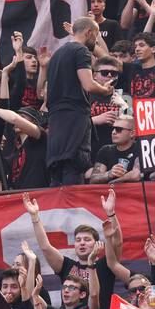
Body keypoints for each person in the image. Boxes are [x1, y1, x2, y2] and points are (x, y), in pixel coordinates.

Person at [47, 16, 113, 186]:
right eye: (96, 36)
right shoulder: (81, 51)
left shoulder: (56, 55)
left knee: (57, 170)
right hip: (74, 119)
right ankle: (72, 212)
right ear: (89, 32)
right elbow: (89, 85)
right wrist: (105, 89)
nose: (96, 41)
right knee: (75, 167)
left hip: (55, 121)